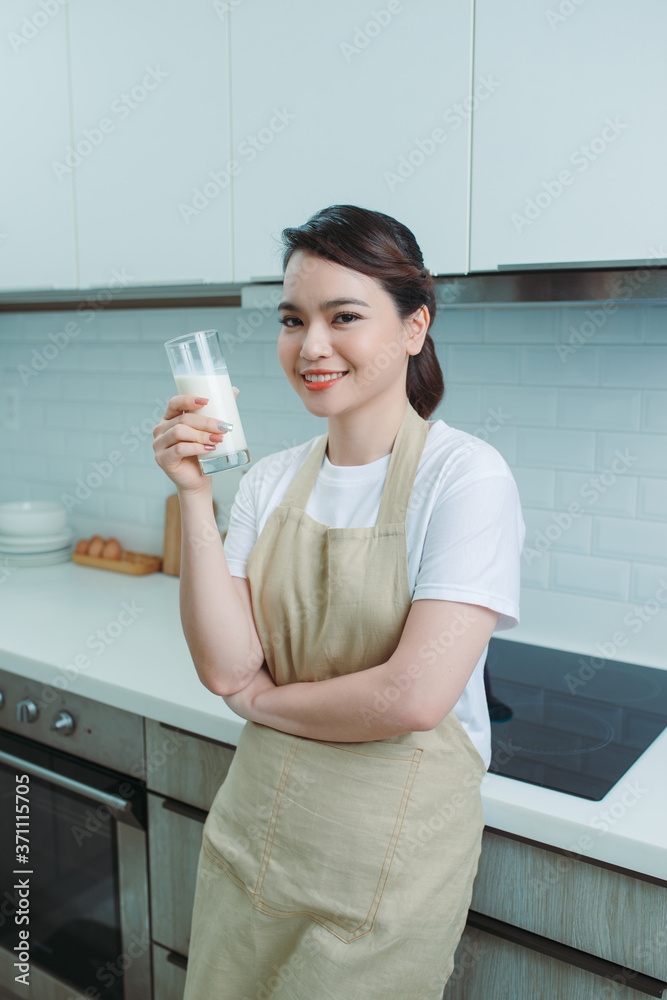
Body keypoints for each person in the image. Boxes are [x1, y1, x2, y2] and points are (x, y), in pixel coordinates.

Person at [153, 204, 526, 999]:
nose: (310, 346)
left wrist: (262, 705)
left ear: (413, 327)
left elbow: (412, 695)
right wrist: (193, 496)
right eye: (293, 319)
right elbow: (226, 666)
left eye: (343, 317)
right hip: (254, 841)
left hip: (387, 871)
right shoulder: (266, 478)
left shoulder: (463, 477)